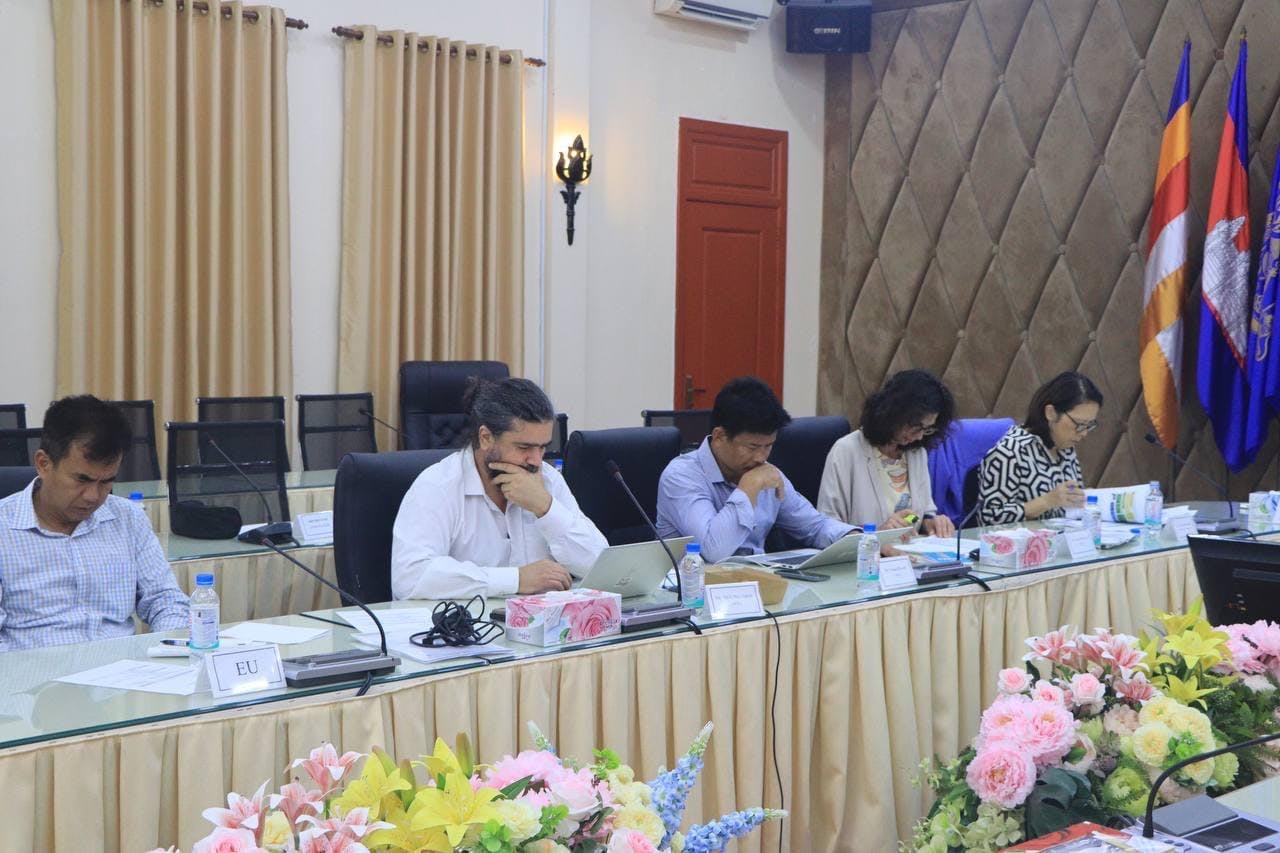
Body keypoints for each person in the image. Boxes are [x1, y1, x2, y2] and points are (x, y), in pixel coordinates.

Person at [0, 395, 190, 651]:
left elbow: (165, 600)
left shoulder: (128, 518)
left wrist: (167, 649)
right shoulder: (4, 529)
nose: (93, 496)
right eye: (82, 479)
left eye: (106, 481)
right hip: (35, 672)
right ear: (43, 464)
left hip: (123, 669)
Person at [391, 377, 608, 600]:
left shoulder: (548, 479)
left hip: (541, 619)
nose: (536, 460)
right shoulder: (437, 486)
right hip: (469, 621)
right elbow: (409, 578)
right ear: (486, 438)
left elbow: (601, 565)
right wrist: (516, 579)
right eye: (524, 447)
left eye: (543, 447)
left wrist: (545, 507)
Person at [656, 376, 855, 564]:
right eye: (752, 447)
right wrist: (748, 489)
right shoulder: (681, 476)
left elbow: (815, 527)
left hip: (758, 582)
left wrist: (857, 539)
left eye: (768, 446)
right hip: (694, 586)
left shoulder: (764, 473)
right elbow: (713, 550)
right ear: (719, 437)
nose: (761, 457)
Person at [817, 369, 956, 537]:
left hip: (908, 550)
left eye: (927, 429)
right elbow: (827, 526)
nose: (920, 436)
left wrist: (928, 522)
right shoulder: (846, 451)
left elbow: (915, 515)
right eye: (916, 426)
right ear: (894, 413)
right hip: (865, 552)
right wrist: (878, 533)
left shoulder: (916, 453)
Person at [978, 371, 1103, 524]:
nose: (1084, 433)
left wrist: (1083, 499)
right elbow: (988, 518)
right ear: (1051, 413)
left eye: (1089, 425)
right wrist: (1046, 501)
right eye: (1079, 424)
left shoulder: (1066, 447)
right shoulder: (1010, 452)